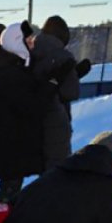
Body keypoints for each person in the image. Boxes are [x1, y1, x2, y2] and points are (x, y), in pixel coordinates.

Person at [0, 21, 45, 203]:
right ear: (16, 41)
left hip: (15, 143)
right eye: (27, 40)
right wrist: (49, 87)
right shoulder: (9, 72)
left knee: (12, 190)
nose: (32, 44)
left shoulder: (18, 65)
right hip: (10, 144)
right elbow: (29, 105)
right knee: (8, 195)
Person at [30, 15, 80, 170]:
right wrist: (74, 76)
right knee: (57, 171)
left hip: (33, 119)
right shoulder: (64, 57)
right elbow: (71, 92)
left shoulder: (31, 53)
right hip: (57, 120)